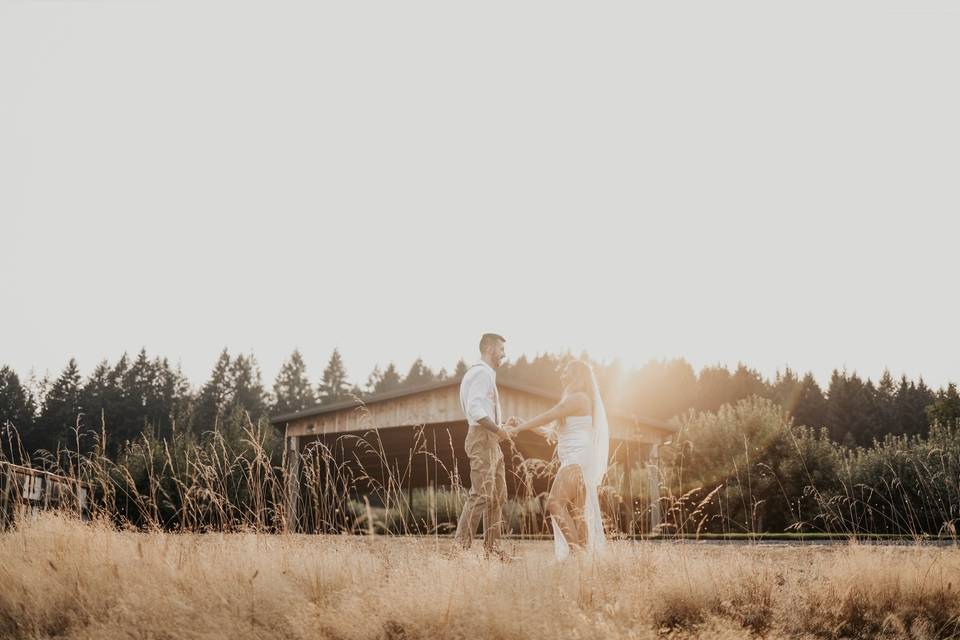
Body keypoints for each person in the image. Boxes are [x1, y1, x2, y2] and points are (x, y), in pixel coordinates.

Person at [507, 359, 609, 559]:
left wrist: (520, 428)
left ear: (577, 375)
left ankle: (576, 552)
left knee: (555, 502)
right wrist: (524, 424)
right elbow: (552, 433)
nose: (562, 375)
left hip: (577, 457)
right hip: (576, 455)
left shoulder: (578, 398)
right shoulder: (575, 400)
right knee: (578, 510)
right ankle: (585, 559)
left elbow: (550, 414)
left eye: (566, 372)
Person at [453, 333, 515, 556]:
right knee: (480, 494)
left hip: (491, 440)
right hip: (482, 438)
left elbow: (482, 409)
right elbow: (475, 410)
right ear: (489, 348)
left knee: (498, 496)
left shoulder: (485, 374)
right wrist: (499, 430)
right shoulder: (481, 373)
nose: (504, 354)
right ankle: (460, 549)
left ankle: (493, 549)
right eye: (501, 349)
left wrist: (502, 425)